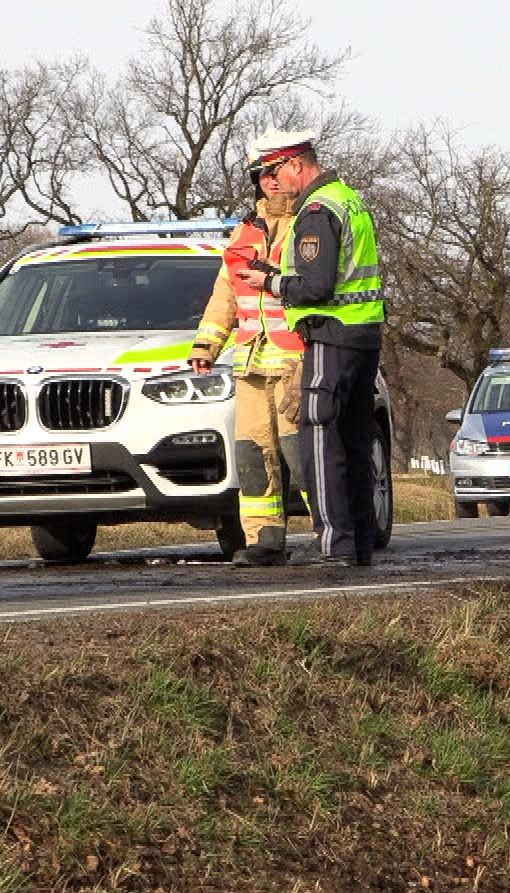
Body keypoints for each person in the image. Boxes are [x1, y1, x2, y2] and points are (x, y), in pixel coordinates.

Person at [234, 128, 384, 567]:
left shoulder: (316, 210)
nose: (277, 182)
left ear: (296, 163)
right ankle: (358, 547)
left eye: (277, 170)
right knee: (355, 440)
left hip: (330, 335)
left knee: (322, 440)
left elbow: (315, 286)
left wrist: (271, 281)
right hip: (363, 335)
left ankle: (335, 545)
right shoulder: (349, 198)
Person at [190, 147, 304, 567]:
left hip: (298, 362)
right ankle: (264, 541)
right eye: (262, 175)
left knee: (303, 455)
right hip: (252, 364)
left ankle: (334, 535)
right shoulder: (244, 232)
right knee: (254, 458)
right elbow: (226, 295)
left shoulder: (310, 223)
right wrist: (207, 346)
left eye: (276, 172)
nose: (270, 181)